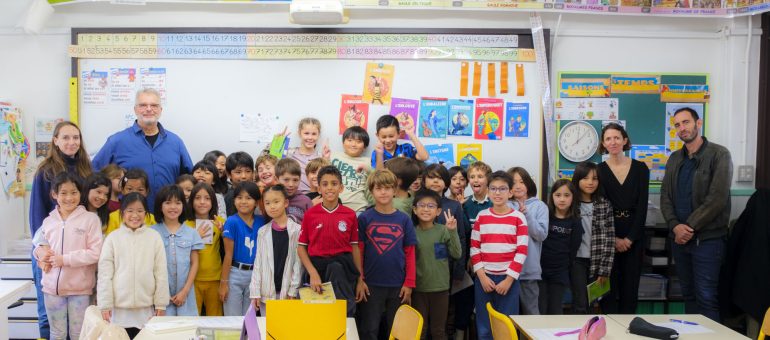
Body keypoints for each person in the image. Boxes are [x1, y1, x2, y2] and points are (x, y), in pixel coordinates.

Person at [660, 107, 732, 322]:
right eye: (677, 125)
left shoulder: (719, 154)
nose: (682, 128)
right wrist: (674, 226)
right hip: (679, 241)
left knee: (706, 297)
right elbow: (665, 196)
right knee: (688, 295)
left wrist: (688, 227)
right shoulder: (674, 158)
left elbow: (717, 199)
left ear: (698, 123)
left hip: (707, 240)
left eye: (686, 122)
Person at [29, 121, 92, 339]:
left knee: (78, 321)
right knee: (48, 314)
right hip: (48, 249)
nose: (71, 142)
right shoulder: (46, 171)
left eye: (76, 137)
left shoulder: (86, 169)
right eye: (65, 137)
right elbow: (38, 214)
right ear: (55, 141)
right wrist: (42, 250)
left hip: (74, 253)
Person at [92, 88, 194, 210]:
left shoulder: (175, 142)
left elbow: (189, 179)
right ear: (135, 109)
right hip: (129, 217)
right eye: (143, 105)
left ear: (160, 110)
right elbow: (94, 175)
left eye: (154, 105)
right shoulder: (117, 141)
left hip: (168, 216)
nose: (149, 109)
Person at [33, 172, 102, 340]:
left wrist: (65, 259)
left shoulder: (90, 220)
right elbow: (39, 246)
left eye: (74, 192)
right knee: (57, 334)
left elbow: (96, 253)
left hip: (80, 289)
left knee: (79, 334)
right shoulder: (48, 221)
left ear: (81, 193)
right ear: (54, 194)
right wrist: (41, 256)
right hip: (52, 289)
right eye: (64, 193)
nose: (69, 197)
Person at [356, 169, 417, 340]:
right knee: (369, 329)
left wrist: (409, 284)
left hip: (398, 285)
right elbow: (358, 251)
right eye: (378, 188)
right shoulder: (364, 218)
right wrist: (360, 280)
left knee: (396, 331)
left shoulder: (404, 219)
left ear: (395, 191)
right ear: (372, 191)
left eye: (387, 188)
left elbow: (410, 252)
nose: (383, 192)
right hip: (371, 285)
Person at [98, 193, 169, 338]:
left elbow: (160, 273)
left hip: (145, 309)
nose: (135, 215)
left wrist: (161, 304)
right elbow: (105, 275)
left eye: (140, 210)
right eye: (130, 211)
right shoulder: (112, 238)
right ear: (122, 213)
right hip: (118, 310)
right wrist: (105, 304)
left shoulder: (154, 237)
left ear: (146, 213)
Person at [597, 122, 650, 314]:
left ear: (625, 140)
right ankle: (609, 329)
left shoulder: (640, 168)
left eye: (617, 137)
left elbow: (643, 206)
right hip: (608, 236)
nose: (613, 142)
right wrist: (613, 239)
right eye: (608, 138)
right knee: (608, 288)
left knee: (630, 287)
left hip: (633, 236)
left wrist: (629, 238)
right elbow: (599, 209)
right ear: (603, 143)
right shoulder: (599, 171)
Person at [297, 166, 363, 317]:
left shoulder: (350, 215)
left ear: (341, 187)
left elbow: (355, 248)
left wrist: (360, 279)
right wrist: (312, 273)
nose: (330, 188)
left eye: (334, 183)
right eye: (325, 184)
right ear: (319, 188)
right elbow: (301, 248)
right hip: (317, 270)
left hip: (342, 269)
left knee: (343, 312)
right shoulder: (310, 214)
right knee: (317, 316)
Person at [471, 171, 528, 340]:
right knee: (484, 325)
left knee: (506, 325)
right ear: (488, 191)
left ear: (510, 192)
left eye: (502, 189)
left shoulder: (518, 218)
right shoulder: (482, 216)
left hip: (508, 280)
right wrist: (481, 276)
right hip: (484, 279)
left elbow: (522, 251)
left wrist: (508, 280)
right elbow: (474, 248)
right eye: (493, 189)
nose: (497, 193)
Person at [411, 189, 462, 340]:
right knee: (420, 330)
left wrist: (452, 231)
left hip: (440, 288)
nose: (426, 209)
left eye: (431, 206)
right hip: (418, 288)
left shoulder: (443, 231)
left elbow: (457, 254)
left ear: (438, 211)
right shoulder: (411, 232)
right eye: (422, 205)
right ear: (414, 209)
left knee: (438, 331)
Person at [249, 185, 303, 314]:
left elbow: (298, 263)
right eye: (267, 203)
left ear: (285, 203)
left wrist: (293, 290)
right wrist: (255, 291)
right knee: (266, 330)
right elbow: (258, 263)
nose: (272, 206)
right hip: (266, 294)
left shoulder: (297, 230)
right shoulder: (263, 232)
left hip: (288, 294)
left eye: (276, 202)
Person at [151, 185, 204, 316]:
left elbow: (195, 263)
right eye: (168, 203)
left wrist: (184, 291)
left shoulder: (191, 233)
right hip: (159, 297)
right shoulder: (151, 232)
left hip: (185, 296)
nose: (173, 207)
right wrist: (161, 294)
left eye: (178, 203)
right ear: (160, 206)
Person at [570, 161, 615, 314]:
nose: (590, 182)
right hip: (576, 260)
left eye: (594, 178)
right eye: (585, 178)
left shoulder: (604, 204)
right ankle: (578, 334)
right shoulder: (570, 203)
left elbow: (610, 239)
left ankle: (589, 334)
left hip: (596, 261)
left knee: (592, 302)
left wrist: (605, 270)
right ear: (577, 179)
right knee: (580, 302)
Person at [507, 167, 549, 315]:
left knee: (531, 314)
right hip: (506, 271)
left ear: (529, 184)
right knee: (508, 316)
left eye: (522, 181)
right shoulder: (504, 205)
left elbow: (541, 235)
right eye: (513, 182)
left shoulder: (539, 206)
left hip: (528, 271)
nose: (518, 185)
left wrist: (526, 214)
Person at [220, 181, 265, 316]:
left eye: (248, 198)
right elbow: (228, 255)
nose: (243, 202)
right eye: (239, 198)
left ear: (257, 202)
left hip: (255, 275)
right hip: (235, 274)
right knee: (233, 319)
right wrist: (224, 283)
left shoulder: (262, 221)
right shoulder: (231, 222)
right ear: (234, 201)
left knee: (248, 319)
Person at [540, 179, 582, 315]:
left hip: (560, 272)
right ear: (552, 196)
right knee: (540, 307)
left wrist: (564, 267)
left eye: (567, 195)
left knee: (555, 308)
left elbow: (574, 248)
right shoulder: (546, 216)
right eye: (558, 195)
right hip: (540, 270)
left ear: (573, 197)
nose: (562, 199)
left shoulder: (575, 221)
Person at [185, 182, 226, 316]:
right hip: (192, 280)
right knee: (193, 318)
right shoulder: (186, 224)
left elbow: (230, 249)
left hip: (215, 278)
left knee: (215, 318)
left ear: (213, 202)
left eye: (207, 198)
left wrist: (223, 232)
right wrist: (196, 237)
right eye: (197, 198)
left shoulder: (219, 222)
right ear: (191, 201)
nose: (202, 202)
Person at [331, 126, 371, 214]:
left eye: (358, 141)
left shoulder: (369, 162)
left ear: (365, 146)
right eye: (350, 140)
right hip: (332, 206)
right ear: (343, 142)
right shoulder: (333, 156)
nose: (353, 144)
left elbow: (379, 176)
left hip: (357, 209)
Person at [104, 168, 156, 236]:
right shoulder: (113, 217)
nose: (134, 193)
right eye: (129, 189)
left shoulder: (151, 219)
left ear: (147, 191)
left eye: (140, 189)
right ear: (122, 189)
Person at [286, 118, 330, 194]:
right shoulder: (289, 153)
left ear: (318, 135)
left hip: (315, 197)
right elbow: (267, 161)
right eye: (306, 133)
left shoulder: (320, 157)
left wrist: (326, 160)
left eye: (314, 134)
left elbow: (327, 180)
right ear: (299, 133)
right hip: (293, 198)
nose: (310, 137)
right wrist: (276, 144)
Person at [275, 158, 313, 223]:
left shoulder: (306, 201)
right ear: (276, 179)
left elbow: (312, 225)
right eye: (286, 180)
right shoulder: (272, 199)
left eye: (295, 180)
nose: (291, 184)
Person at [223, 151, 254, 216]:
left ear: (253, 173)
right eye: (238, 172)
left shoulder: (253, 191)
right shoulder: (231, 196)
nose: (243, 176)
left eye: (248, 171)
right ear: (229, 174)